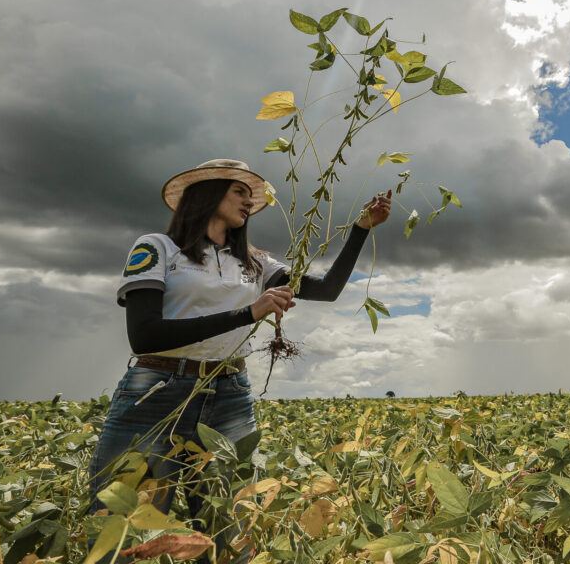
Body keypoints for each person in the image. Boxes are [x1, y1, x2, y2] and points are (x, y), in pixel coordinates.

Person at [87, 158, 391, 521]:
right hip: (156, 394)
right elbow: (144, 336)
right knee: (125, 525)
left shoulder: (255, 262)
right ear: (207, 193)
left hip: (228, 396)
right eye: (239, 192)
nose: (250, 202)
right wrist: (248, 313)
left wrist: (361, 228)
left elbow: (326, 290)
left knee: (227, 527)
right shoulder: (157, 248)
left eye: (252, 195)